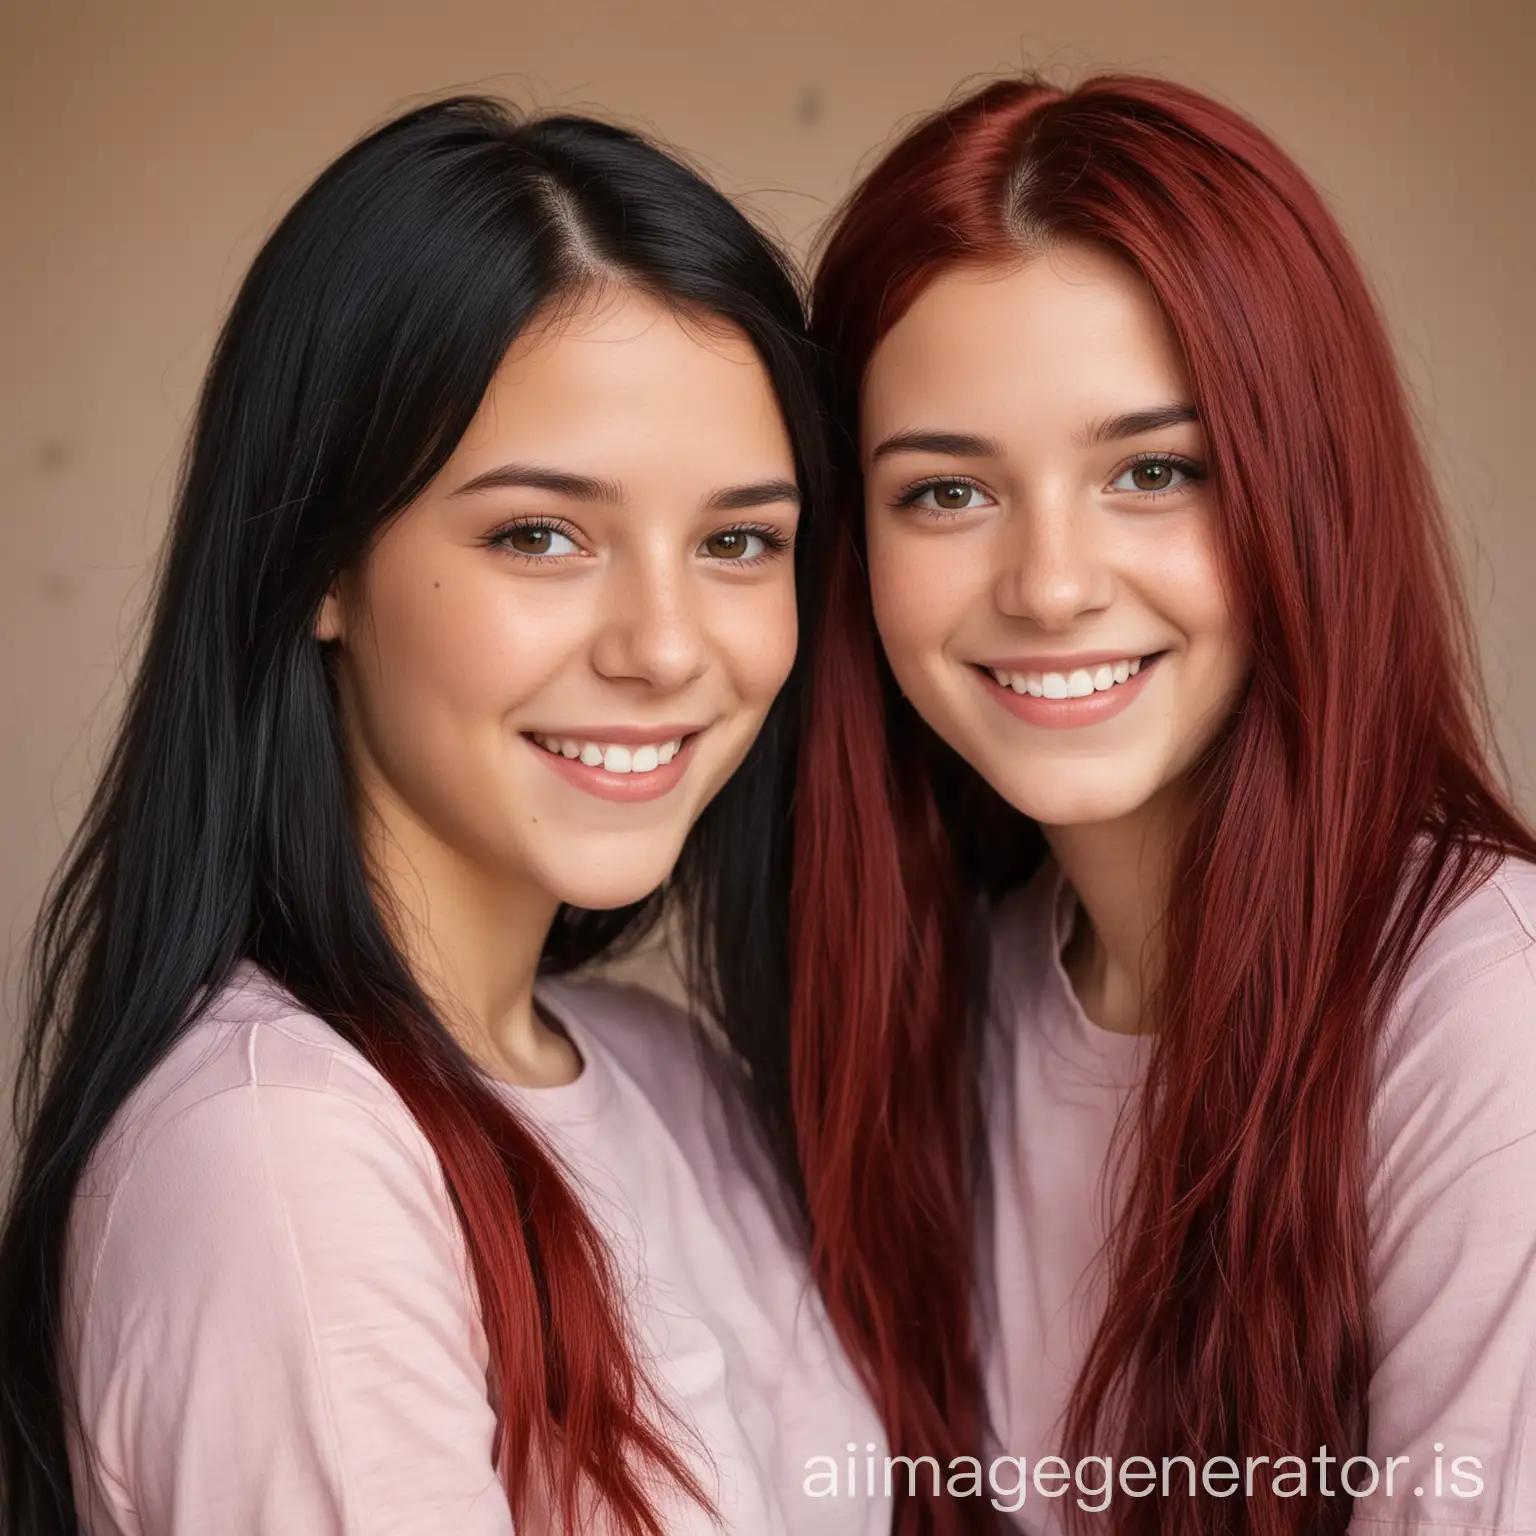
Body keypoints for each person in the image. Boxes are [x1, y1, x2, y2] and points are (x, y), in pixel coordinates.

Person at [0, 98, 889, 1536]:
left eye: (739, 541)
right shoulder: (281, 1160)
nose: (667, 647)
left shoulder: (671, 1078)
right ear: (322, 563)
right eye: (541, 534)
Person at [792, 72, 1536, 1535]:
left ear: (1298, 493)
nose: (1053, 584)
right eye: (947, 493)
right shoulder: (948, 1004)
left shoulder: (1485, 1010)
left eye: (1154, 471)